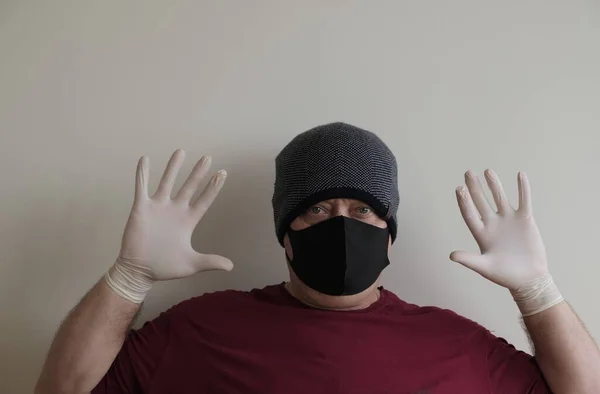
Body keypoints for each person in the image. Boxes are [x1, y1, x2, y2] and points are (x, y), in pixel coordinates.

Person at [35, 122, 600, 394]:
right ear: (285, 233)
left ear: (390, 233)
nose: (339, 225)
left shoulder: (456, 345)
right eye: (317, 209)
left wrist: (537, 289)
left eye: (361, 211)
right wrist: (128, 277)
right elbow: (63, 391)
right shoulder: (200, 329)